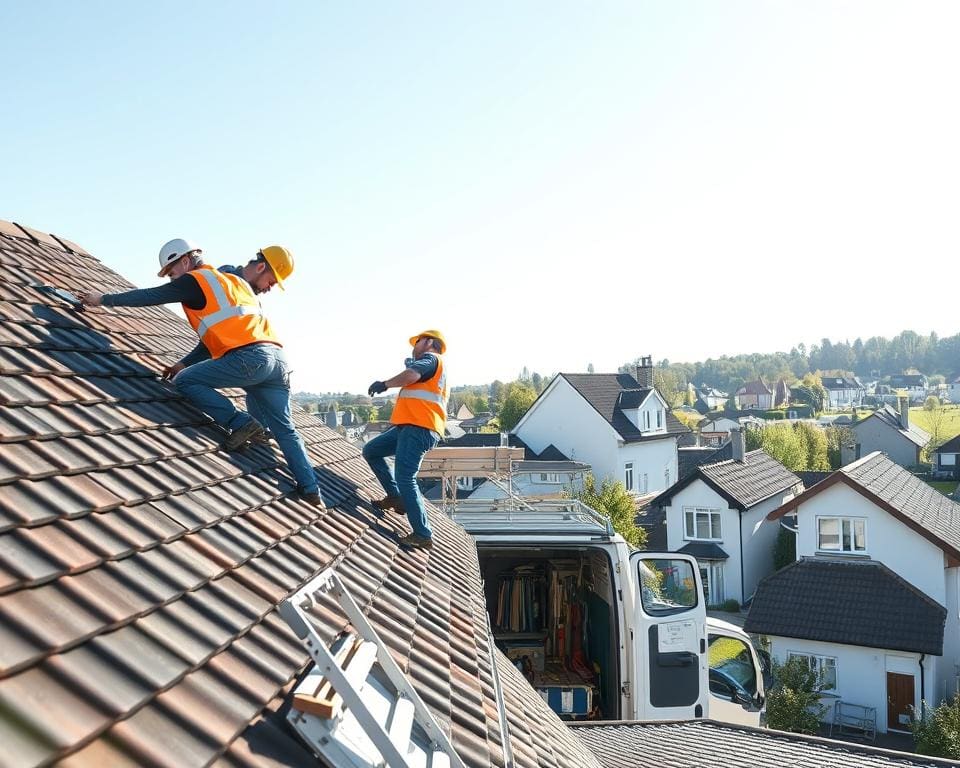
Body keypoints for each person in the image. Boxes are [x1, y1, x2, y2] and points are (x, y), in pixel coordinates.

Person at [79, 239, 323, 507]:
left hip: (251, 359)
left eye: (172, 273)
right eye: (272, 282)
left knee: (187, 382)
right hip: (277, 361)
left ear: (184, 262)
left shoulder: (196, 279)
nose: (173, 280)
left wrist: (103, 299)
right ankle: (311, 490)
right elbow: (217, 336)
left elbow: (152, 296)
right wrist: (184, 362)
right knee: (286, 430)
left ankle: (240, 423)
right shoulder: (235, 285)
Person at [363, 330, 448, 549]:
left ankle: (422, 534)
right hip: (408, 427)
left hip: (419, 427)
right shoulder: (432, 363)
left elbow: (411, 375)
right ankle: (395, 497)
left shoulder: (432, 359)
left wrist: (385, 384)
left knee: (405, 477)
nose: (414, 345)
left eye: (417, 341)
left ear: (429, 342)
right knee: (371, 451)